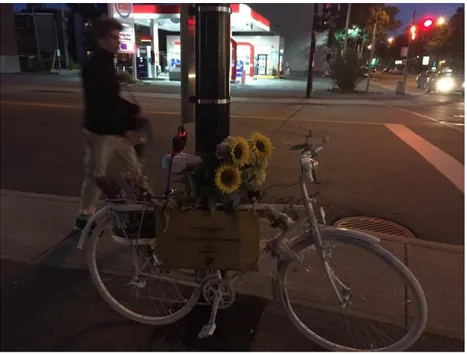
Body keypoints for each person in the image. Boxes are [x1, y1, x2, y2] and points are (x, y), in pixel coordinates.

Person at [74, 17, 144, 231]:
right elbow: (102, 106)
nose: (117, 41)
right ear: (102, 39)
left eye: (118, 37)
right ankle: (84, 218)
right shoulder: (96, 66)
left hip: (115, 131)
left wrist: (133, 111)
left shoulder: (106, 63)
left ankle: (143, 209)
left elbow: (112, 99)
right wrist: (127, 127)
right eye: (114, 37)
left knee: (135, 170)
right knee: (96, 176)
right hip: (101, 132)